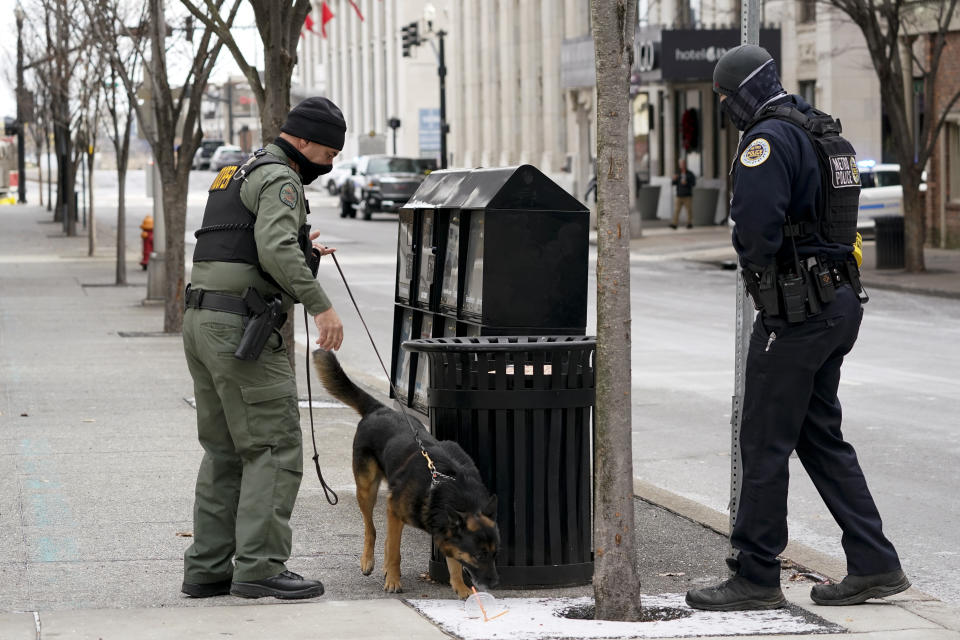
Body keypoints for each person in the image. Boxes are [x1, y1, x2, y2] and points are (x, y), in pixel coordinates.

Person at [685, 45, 909, 611]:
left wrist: (762, 275)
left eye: (725, 99)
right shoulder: (823, 130)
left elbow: (755, 227)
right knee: (818, 436)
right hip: (837, 303)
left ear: (741, 93)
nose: (726, 109)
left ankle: (755, 576)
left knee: (762, 440)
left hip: (798, 311)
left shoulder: (767, 140)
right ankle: (875, 562)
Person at [180, 97, 346, 600]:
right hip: (243, 328)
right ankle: (259, 567)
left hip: (202, 321)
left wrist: (304, 251)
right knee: (273, 447)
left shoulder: (234, 172)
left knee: (225, 450)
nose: (331, 162)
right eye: (329, 150)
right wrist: (321, 306)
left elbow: (245, 246)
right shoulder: (281, 178)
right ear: (302, 140)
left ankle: (207, 569)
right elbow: (274, 250)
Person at [670, 158, 695, 229]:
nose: (682, 165)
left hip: (687, 195)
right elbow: (673, 183)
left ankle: (689, 223)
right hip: (679, 195)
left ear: (685, 164)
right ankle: (674, 224)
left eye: (683, 163)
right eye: (680, 164)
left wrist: (686, 183)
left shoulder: (689, 173)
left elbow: (693, 183)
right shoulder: (677, 173)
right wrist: (674, 179)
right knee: (676, 210)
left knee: (689, 210)